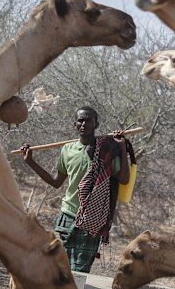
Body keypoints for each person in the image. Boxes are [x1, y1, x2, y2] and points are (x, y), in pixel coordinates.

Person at [21, 106, 129, 273]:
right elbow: (56, 182)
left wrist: (122, 148)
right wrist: (31, 162)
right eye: (80, 120)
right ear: (75, 124)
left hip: (91, 220)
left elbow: (124, 179)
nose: (84, 124)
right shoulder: (67, 149)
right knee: (58, 269)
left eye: (88, 120)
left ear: (96, 124)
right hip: (67, 216)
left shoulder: (106, 150)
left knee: (78, 273)